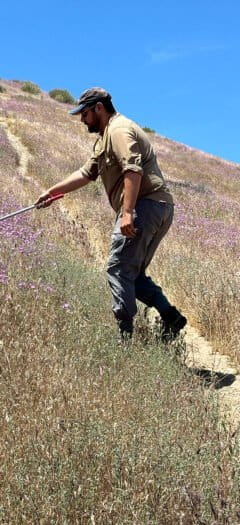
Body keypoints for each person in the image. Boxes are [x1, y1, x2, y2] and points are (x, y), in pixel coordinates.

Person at [35, 87, 187, 342]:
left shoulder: (118, 130)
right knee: (132, 273)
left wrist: (127, 212)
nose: (82, 120)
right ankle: (170, 317)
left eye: (84, 114)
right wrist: (52, 192)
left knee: (117, 269)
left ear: (99, 108)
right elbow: (86, 173)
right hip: (158, 207)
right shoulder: (105, 136)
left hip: (144, 207)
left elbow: (132, 169)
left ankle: (125, 339)